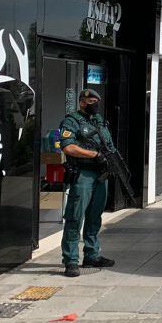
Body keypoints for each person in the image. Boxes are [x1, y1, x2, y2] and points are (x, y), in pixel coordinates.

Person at [57, 89, 118, 278]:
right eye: (91, 101)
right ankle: (71, 260)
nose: (95, 104)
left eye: (96, 101)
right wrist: (93, 155)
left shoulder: (99, 121)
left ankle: (92, 254)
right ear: (82, 102)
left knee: (95, 216)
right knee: (75, 217)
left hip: (100, 175)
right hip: (83, 174)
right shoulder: (71, 121)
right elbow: (68, 147)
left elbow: (109, 146)